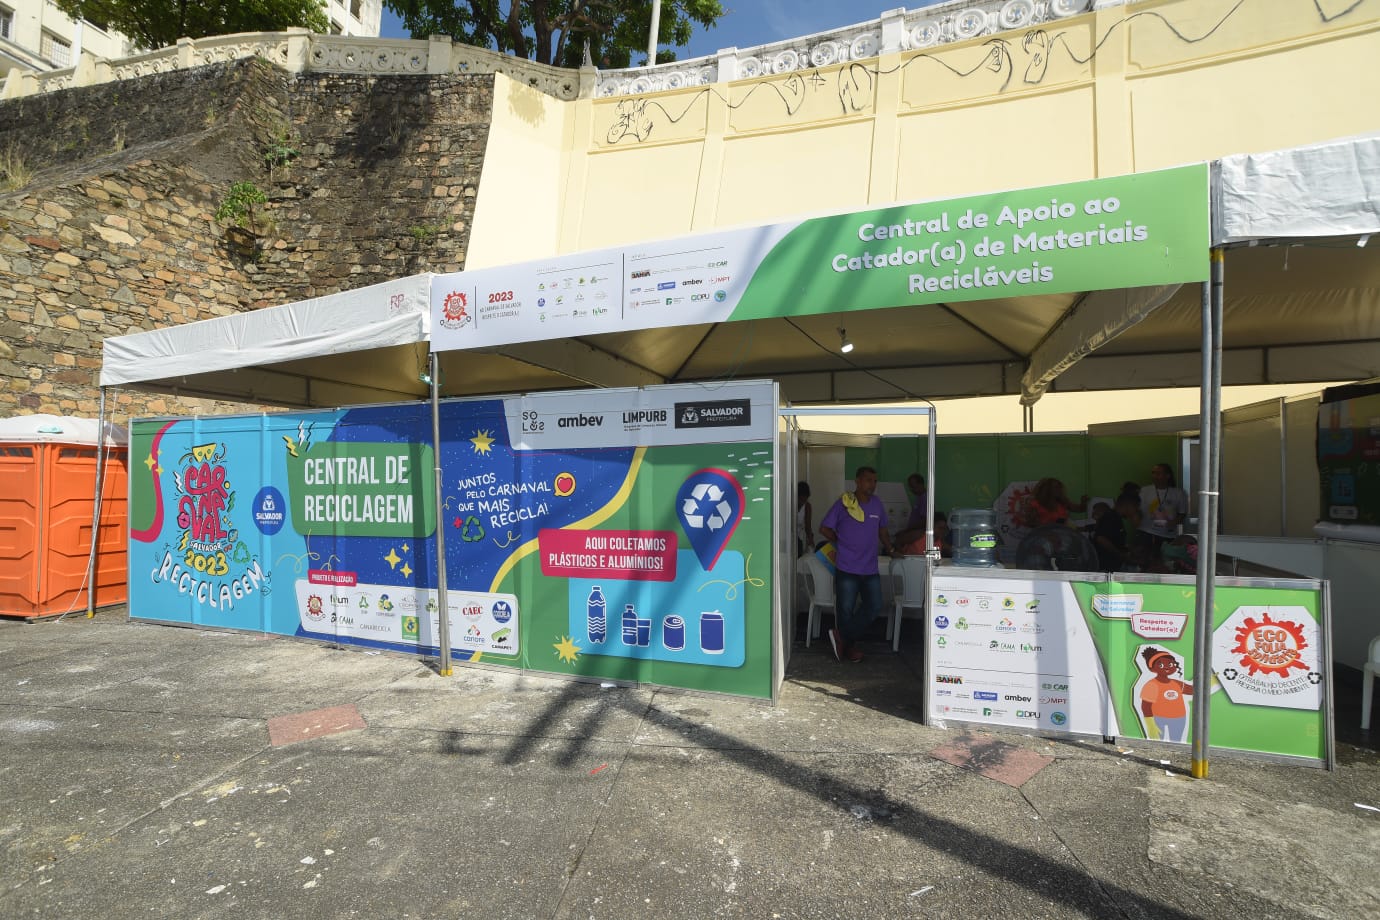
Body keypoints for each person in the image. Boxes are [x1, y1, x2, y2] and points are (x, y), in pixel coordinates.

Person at [818, 465, 896, 663]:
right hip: (847, 567)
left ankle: (842, 637)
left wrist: (891, 549)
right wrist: (840, 540)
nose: (872, 484)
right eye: (868, 480)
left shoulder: (877, 504)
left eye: (874, 481)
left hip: (870, 568)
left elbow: (883, 531)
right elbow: (824, 528)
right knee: (845, 610)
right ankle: (849, 649)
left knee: (874, 606)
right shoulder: (844, 503)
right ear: (858, 481)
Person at [1139, 647, 1194, 742]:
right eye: (1160, 665)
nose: (1166, 667)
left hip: (1179, 718)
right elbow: (1146, 706)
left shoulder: (1176, 683)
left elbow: (1193, 690)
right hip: (1158, 718)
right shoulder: (1152, 685)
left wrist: (1211, 680)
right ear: (1152, 668)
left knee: (1176, 742)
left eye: (1170, 664)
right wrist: (1150, 724)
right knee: (1157, 743)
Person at [1138, 463, 1188, 552]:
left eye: (1158, 473)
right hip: (1146, 533)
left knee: (1165, 559)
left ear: (1167, 476)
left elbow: (1182, 513)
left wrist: (1173, 522)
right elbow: (1137, 510)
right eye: (1153, 473)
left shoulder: (1179, 493)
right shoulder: (1144, 491)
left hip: (1168, 535)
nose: (1154, 476)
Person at [1093, 495, 1138, 572]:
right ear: (1128, 505)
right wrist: (1120, 554)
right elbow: (1101, 539)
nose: (1135, 512)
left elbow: (1114, 540)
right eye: (1135, 508)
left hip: (1113, 566)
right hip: (1106, 567)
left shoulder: (1116, 518)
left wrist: (1129, 549)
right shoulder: (1111, 517)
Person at [1022, 477, 1088, 528]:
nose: (1059, 490)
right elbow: (1031, 524)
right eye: (1056, 487)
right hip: (1044, 535)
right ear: (1047, 490)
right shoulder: (1036, 504)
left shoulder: (1062, 501)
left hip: (1062, 534)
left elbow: (1081, 509)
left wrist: (1083, 502)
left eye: (1060, 487)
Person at [795, 481, 814, 556]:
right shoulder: (789, 504)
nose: (802, 502)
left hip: (798, 538)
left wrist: (811, 540)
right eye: (801, 499)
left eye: (805, 500)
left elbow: (808, 526)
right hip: (787, 538)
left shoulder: (807, 506)